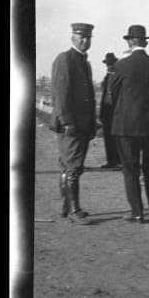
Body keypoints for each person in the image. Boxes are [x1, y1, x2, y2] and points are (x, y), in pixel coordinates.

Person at [110, 25, 149, 223]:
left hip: (126, 125)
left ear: (129, 41)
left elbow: (113, 94)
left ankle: (138, 212)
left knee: (130, 169)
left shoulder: (120, 66)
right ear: (145, 42)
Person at [49, 22, 96, 225]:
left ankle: (65, 207)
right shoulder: (65, 59)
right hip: (71, 125)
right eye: (81, 37)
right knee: (73, 167)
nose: (85, 41)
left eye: (88, 38)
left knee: (69, 166)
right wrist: (67, 121)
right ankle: (74, 210)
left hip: (82, 125)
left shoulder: (84, 62)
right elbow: (61, 94)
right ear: (72, 38)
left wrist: (92, 123)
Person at [99, 52, 121, 169]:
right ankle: (111, 161)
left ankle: (118, 161)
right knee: (107, 137)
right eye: (107, 64)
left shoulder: (118, 76)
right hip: (107, 112)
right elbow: (103, 96)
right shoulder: (106, 78)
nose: (109, 66)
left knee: (116, 137)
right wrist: (101, 113)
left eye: (111, 64)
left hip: (116, 112)